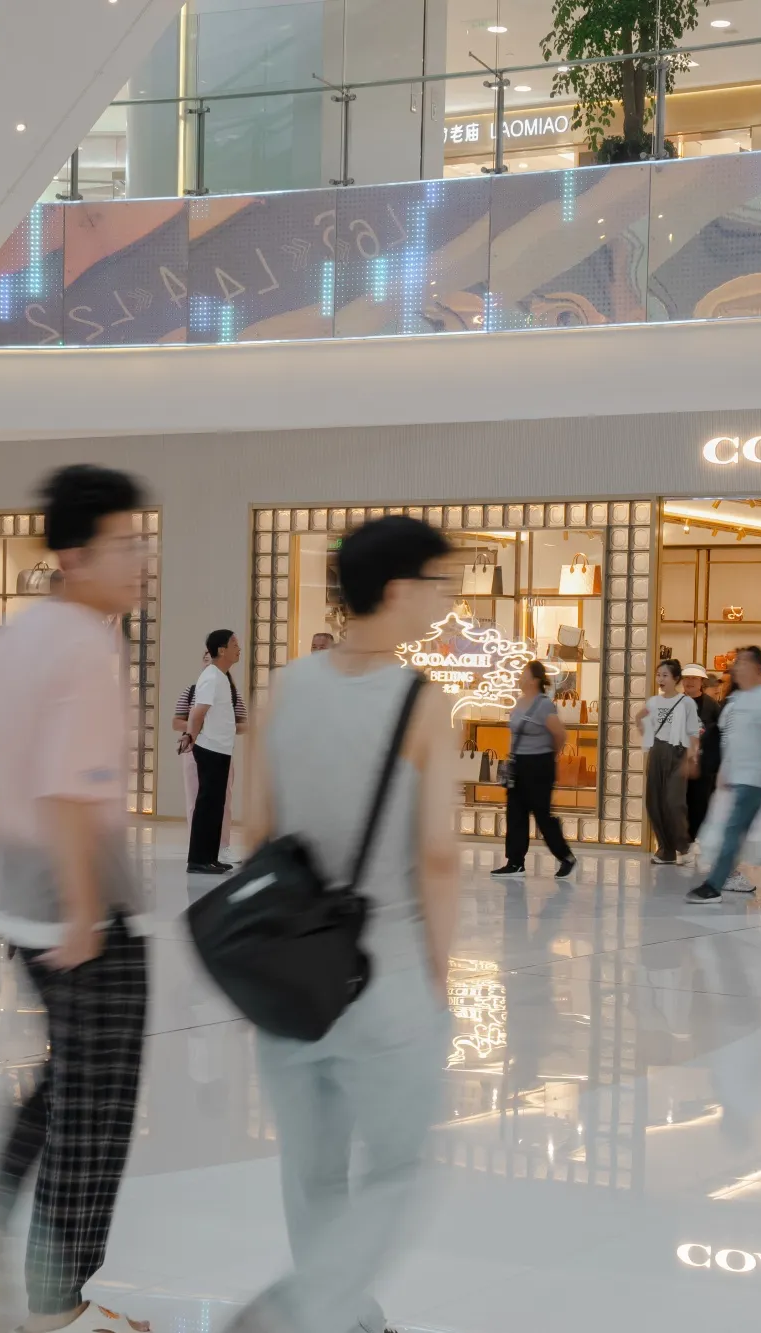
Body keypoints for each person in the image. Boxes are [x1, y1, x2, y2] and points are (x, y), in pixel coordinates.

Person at [233, 514, 458, 1333]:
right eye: (440, 583)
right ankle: (307, 1308)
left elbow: (252, 831)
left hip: (289, 972)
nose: (447, 598)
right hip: (386, 971)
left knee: (313, 1173)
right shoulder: (420, 701)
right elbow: (437, 854)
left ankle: (341, 1316)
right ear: (398, 590)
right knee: (398, 1167)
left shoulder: (284, 686)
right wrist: (437, 971)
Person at [0, 464, 152, 1332]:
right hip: (79, 903)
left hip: (19, 893)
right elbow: (67, 788)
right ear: (76, 554)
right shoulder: (86, 639)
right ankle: (58, 1303)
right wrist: (85, 914)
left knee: (63, 1088)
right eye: (125, 544)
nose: (140, 559)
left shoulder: (18, 635)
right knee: (96, 1110)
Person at [685, 646, 761, 904]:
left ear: (758, 669)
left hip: (754, 777)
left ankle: (714, 885)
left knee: (733, 830)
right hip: (734, 777)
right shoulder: (735, 700)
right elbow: (729, 740)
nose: (737, 668)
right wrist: (722, 773)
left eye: (743, 663)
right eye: (736, 664)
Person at [492, 661, 576, 878]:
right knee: (515, 812)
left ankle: (565, 856)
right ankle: (515, 861)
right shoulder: (520, 702)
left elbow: (560, 735)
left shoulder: (544, 704)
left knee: (542, 814)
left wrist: (550, 755)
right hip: (518, 763)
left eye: (523, 674)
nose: (519, 677)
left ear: (534, 680)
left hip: (539, 765)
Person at [186, 627, 244, 875]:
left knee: (216, 806)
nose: (238, 649)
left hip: (220, 749)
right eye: (234, 645)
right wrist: (191, 737)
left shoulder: (221, 676)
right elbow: (198, 712)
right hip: (209, 749)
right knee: (207, 805)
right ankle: (198, 860)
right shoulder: (211, 676)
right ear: (221, 650)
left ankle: (210, 857)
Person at [636, 658, 702, 864]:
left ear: (676, 679)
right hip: (657, 751)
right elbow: (640, 719)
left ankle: (683, 845)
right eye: (658, 675)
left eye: (665, 675)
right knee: (654, 803)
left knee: (674, 802)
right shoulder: (654, 702)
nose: (660, 679)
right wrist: (643, 727)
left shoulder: (686, 703)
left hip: (678, 753)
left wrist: (690, 757)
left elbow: (693, 732)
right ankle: (666, 851)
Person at [175, 646, 246, 821]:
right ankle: (197, 845)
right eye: (206, 658)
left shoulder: (232, 694)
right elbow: (176, 722)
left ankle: (222, 846)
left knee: (223, 801)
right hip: (194, 750)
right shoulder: (191, 691)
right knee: (194, 801)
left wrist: (221, 726)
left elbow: (244, 725)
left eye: (212, 658)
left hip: (221, 750)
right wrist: (200, 727)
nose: (209, 662)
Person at [683, 663, 723, 837]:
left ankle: (697, 842)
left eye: (694, 678)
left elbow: (720, 734)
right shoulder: (675, 702)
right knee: (679, 804)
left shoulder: (712, 706)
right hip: (679, 763)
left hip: (704, 765)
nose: (689, 681)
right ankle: (681, 842)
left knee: (701, 804)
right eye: (686, 677)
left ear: (702, 682)